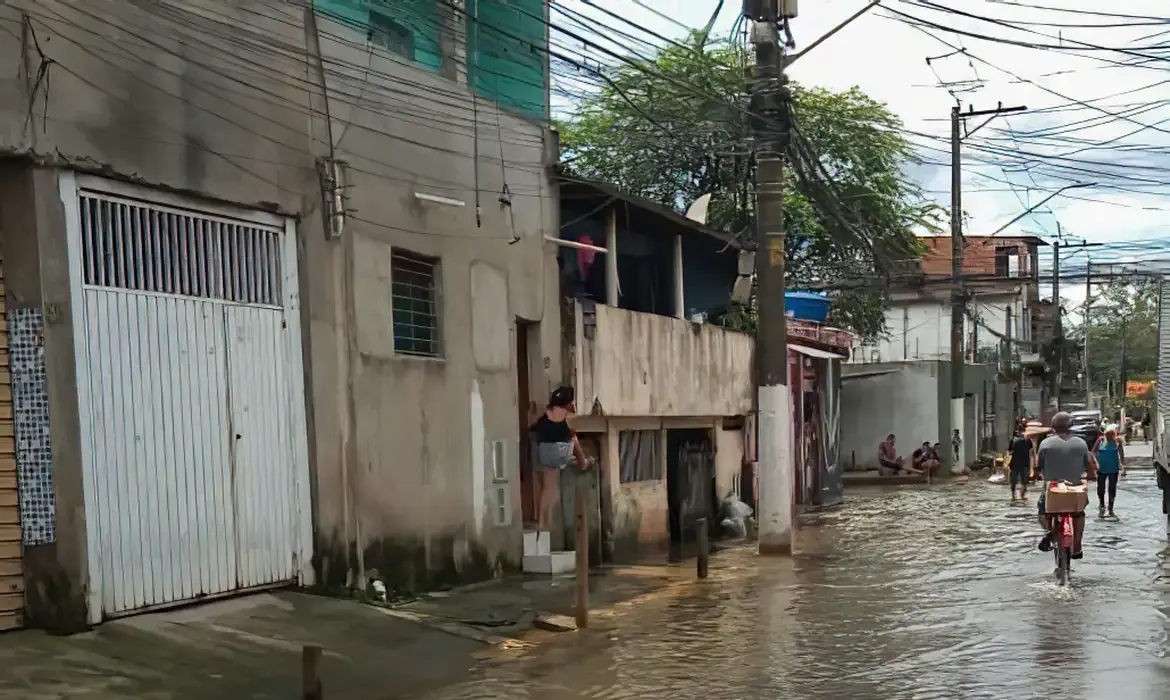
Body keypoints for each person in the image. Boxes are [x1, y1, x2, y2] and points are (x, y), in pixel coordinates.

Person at [528, 386, 591, 532]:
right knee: (550, 487)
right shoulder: (567, 417)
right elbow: (571, 436)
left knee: (542, 486)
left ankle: (539, 519)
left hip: (541, 448)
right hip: (555, 452)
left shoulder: (546, 412)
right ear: (569, 403)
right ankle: (542, 524)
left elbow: (534, 425)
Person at [1036, 412, 1093, 559]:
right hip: (1075, 492)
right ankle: (1077, 545)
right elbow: (1090, 467)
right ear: (1071, 426)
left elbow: (1038, 466)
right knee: (1080, 513)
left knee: (1042, 512)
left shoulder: (1045, 444)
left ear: (1053, 427)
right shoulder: (1081, 443)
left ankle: (1050, 532)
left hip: (1053, 492)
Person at [1093, 427, 1126, 517]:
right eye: (1107, 435)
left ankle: (1110, 506)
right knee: (1101, 488)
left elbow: (1121, 454)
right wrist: (1095, 464)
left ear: (1114, 435)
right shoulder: (1100, 441)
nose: (1109, 437)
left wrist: (1123, 466)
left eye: (1111, 435)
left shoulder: (1117, 442)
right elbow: (1093, 452)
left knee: (1112, 488)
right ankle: (1102, 504)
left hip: (1113, 469)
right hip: (1101, 469)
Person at [1008, 426, 1035, 502]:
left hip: (1016, 463)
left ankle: (1014, 496)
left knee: (1015, 480)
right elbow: (1031, 452)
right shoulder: (1028, 440)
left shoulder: (1014, 440)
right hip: (1023, 463)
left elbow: (1009, 451)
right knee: (1023, 481)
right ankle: (1022, 496)